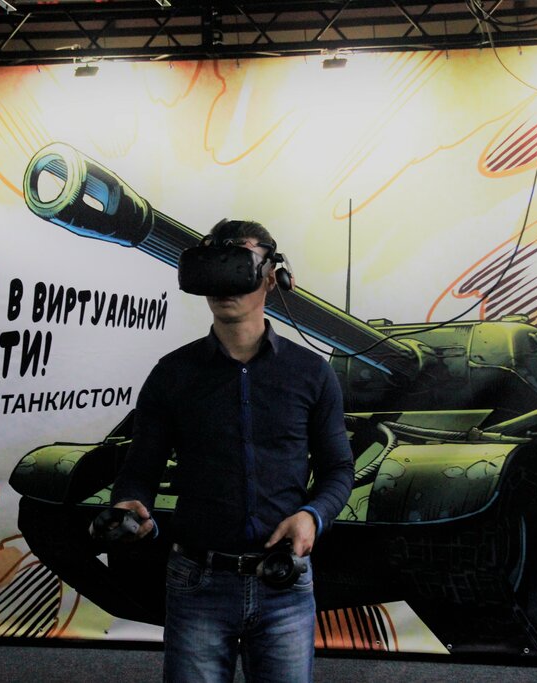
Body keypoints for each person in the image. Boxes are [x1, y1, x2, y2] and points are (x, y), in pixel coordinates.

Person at [109, 219, 355, 682]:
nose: (224, 284)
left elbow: (339, 468)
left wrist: (312, 516)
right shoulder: (172, 374)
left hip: (284, 585)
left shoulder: (312, 373)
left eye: (238, 265)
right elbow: (139, 469)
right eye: (213, 266)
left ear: (273, 278)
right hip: (197, 582)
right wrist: (129, 503)